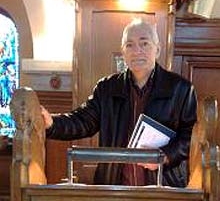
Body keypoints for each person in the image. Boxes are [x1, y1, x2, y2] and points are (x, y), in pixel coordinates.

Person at [41, 18, 197, 187]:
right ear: (123, 53)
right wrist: (52, 123)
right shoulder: (107, 88)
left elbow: (191, 135)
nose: (137, 50)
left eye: (144, 43)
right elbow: (83, 121)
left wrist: (166, 155)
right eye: (129, 45)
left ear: (157, 49)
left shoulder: (181, 89)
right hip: (114, 188)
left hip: (163, 186)